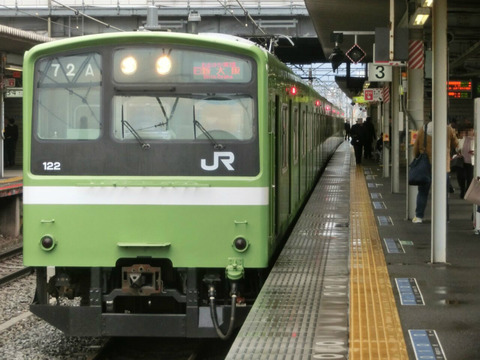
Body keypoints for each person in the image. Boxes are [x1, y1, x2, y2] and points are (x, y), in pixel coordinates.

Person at [412, 121, 459, 223]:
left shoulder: (422, 130)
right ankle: (444, 218)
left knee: (422, 192)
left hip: (425, 167)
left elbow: (416, 148)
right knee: (443, 193)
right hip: (443, 166)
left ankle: (419, 216)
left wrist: (417, 158)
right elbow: (456, 144)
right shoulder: (448, 129)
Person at [456, 127, 474, 198]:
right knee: (461, 177)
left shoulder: (475, 139)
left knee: (469, 178)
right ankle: (462, 190)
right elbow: (457, 148)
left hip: (471, 161)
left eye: (471, 130)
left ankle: (467, 192)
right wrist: (458, 152)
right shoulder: (463, 139)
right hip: (462, 161)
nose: (469, 132)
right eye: (469, 130)